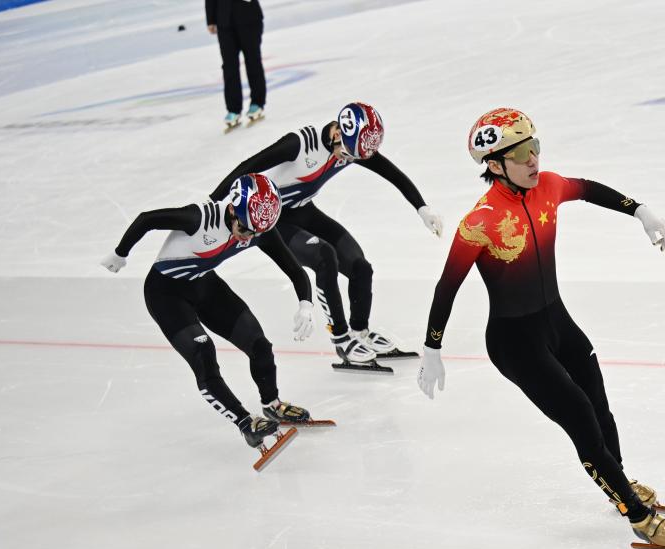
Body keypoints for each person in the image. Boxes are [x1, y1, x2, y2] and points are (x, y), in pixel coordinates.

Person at [416, 108, 665, 548]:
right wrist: (433, 348)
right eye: (520, 153)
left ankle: (618, 482)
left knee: (599, 406)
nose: (533, 159)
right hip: (515, 343)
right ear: (494, 165)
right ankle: (637, 516)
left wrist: (641, 212)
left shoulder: (548, 185)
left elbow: (588, 189)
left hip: (557, 322)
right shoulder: (480, 222)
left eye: (534, 146)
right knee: (580, 417)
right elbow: (447, 286)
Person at [209, 101, 445, 369]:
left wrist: (422, 208)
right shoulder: (299, 144)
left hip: (304, 211)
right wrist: (212, 203)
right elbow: (247, 165)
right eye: (347, 153)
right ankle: (342, 340)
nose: (348, 158)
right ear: (337, 133)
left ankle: (360, 332)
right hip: (274, 223)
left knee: (360, 267)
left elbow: (392, 173)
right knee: (325, 257)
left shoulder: (353, 145)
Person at [100, 173, 316, 453]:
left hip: (205, 287)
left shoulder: (257, 226)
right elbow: (147, 219)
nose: (248, 237)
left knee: (260, 345)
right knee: (204, 355)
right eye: (245, 229)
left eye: (255, 233)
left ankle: (272, 405)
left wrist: (306, 304)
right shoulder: (199, 218)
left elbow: (294, 269)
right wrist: (120, 253)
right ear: (232, 209)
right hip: (166, 296)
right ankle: (245, 422)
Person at [206, 0, 266, 128]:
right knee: (229, 66)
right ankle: (233, 109)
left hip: (249, 18)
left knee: (253, 61)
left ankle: (257, 102)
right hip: (224, 22)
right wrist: (210, 19)